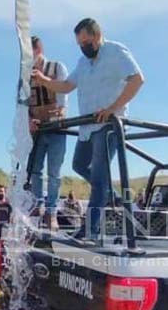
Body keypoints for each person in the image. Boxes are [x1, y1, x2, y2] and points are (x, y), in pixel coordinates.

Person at [32, 17, 144, 240]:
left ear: (97, 35)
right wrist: (43, 80)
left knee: (99, 176)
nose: (83, 47)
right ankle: (111, 196)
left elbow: (137, 80)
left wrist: (112, 109)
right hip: (87, 127)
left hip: (108, 125)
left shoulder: (116, 51)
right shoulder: (82, 63)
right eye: (79, 44)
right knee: (79, 165)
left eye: (86, 42)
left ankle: (90, 230)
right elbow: (67, 86)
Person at [28, 36, 68, 229]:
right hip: (37, 129)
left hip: (56, 128)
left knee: (54, 172)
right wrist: (29, 120)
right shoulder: (25, 76)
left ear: (38, 49)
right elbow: (22, 102)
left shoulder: (56, 67)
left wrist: (60, 112)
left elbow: (63, 95)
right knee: (35, 169)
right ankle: (38, 205)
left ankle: (51, 211)